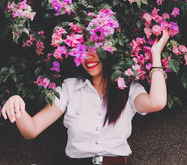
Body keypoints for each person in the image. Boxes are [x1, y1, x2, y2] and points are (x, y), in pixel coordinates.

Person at [2, 30, 169, 165]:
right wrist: (17, 104)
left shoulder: (128, 89)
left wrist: (155, 54)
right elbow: (31, 130)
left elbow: (157, 102)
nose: (89, 56)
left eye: (95, 49)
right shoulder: (69, 87)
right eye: (83, 50)